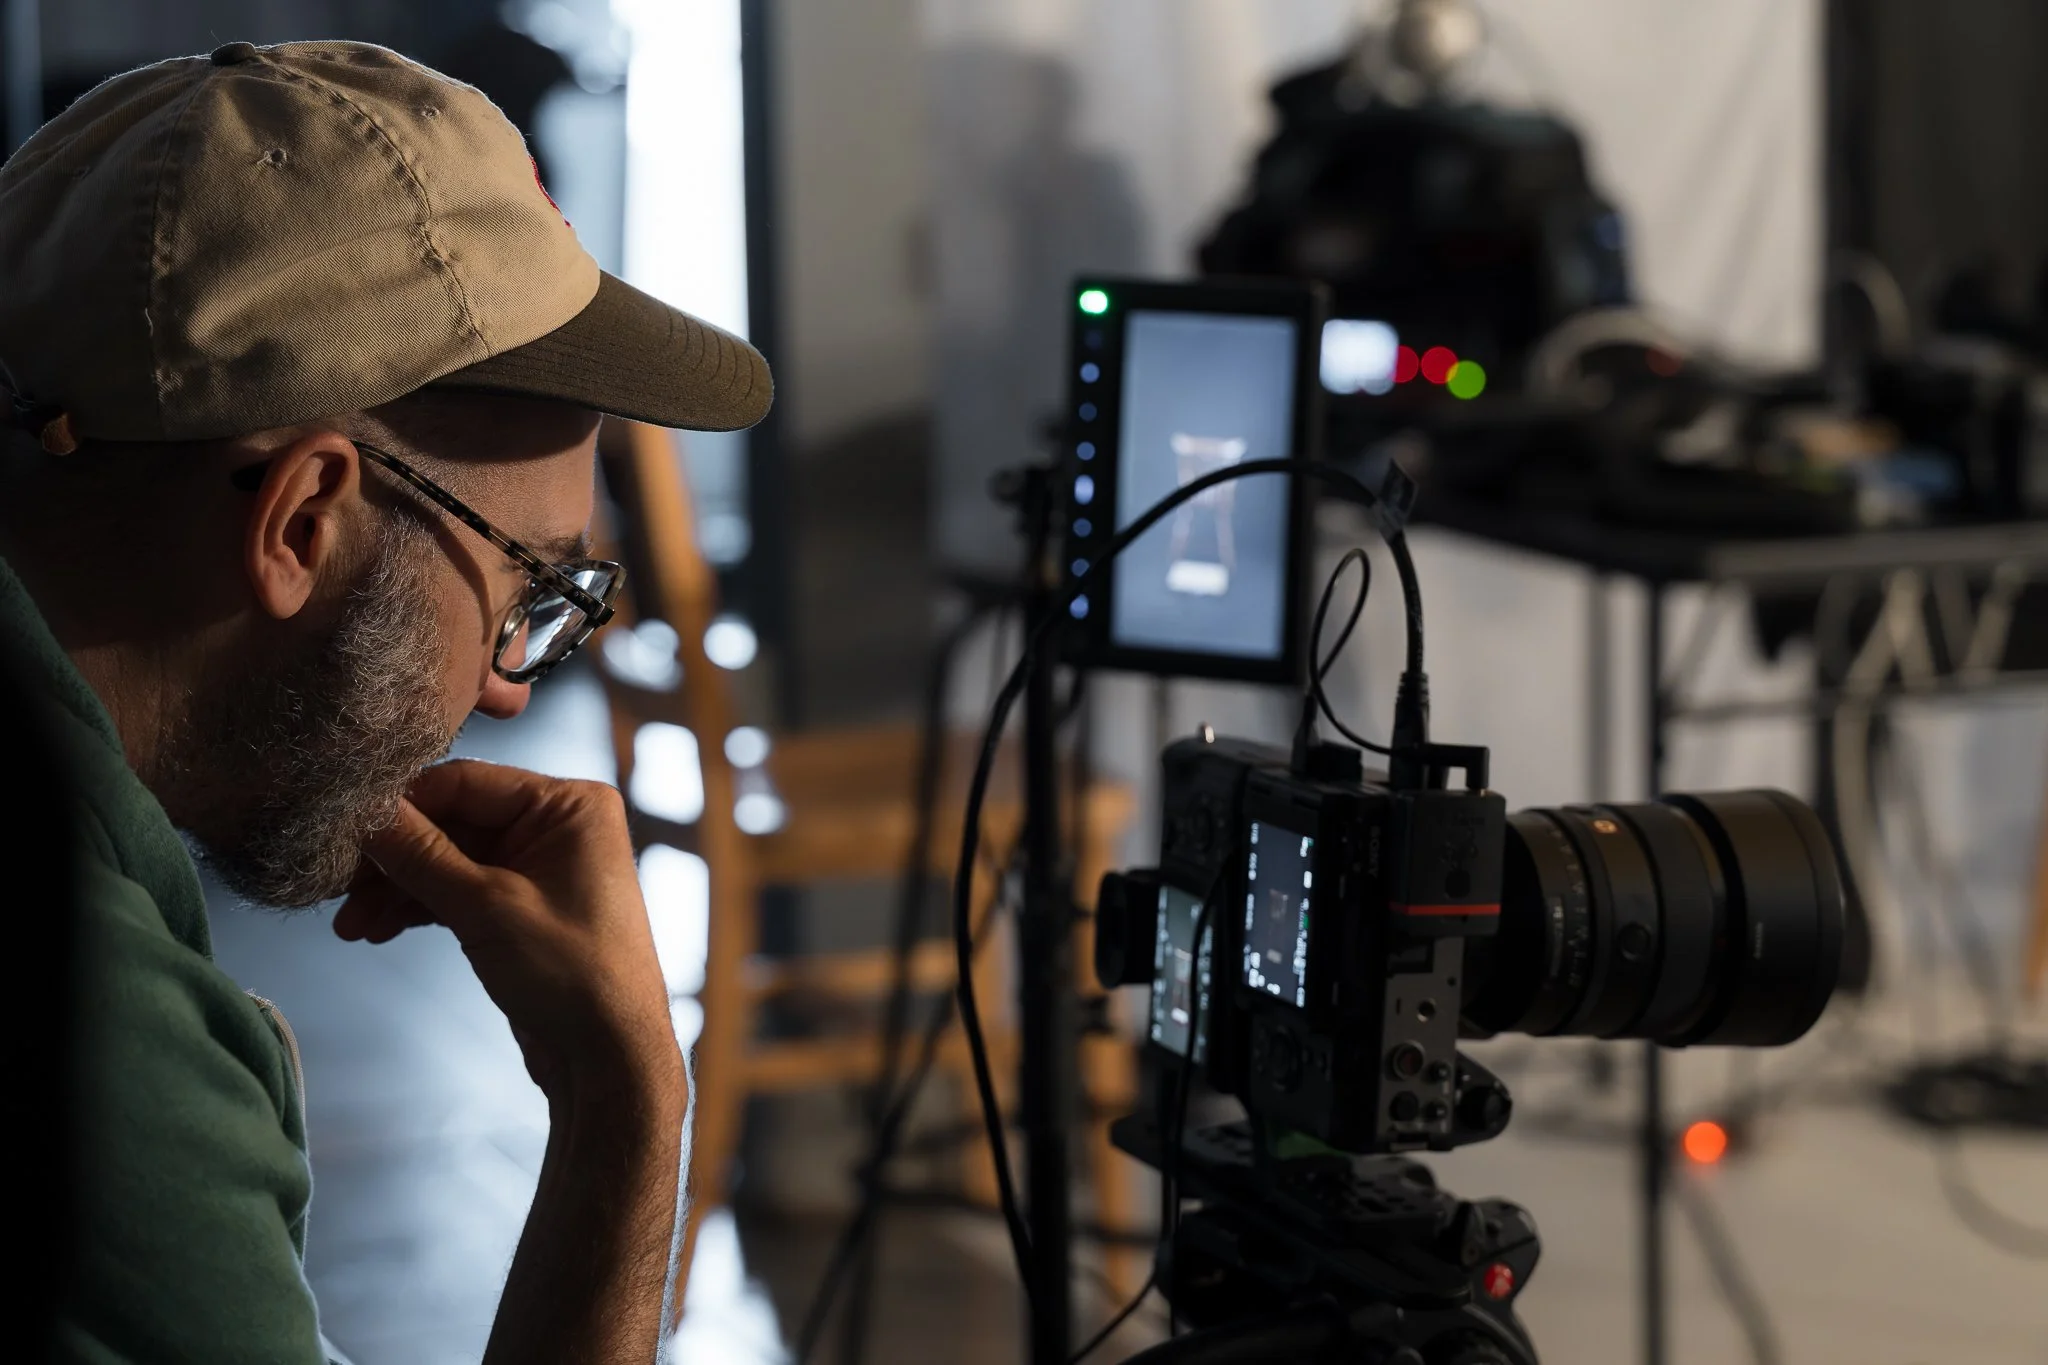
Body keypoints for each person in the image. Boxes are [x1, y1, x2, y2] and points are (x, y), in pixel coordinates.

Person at [0, 40, 771, 1365]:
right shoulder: (100, 1033)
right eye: (532, 591)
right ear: (303, 518)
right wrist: (626, 1101)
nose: (505, 694)